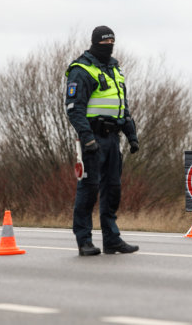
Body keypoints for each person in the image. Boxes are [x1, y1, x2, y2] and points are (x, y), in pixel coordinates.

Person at [65, 26, 140, 256]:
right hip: (92, 138)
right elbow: (74, 108)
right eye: (105, 44)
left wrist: (131, 134)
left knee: (113, 190)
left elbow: (122, 107)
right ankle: (84, 240)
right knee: (89, 190)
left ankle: (112, 240)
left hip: (112, 139)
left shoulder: (115, 70)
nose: (109, 48)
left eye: (112, 44)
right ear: (95, 43)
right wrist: (87, 139)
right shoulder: (81, 70)